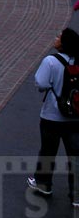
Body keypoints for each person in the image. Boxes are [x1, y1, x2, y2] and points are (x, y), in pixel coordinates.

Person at [27, 27, 79, 206]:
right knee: (75, 154)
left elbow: (40, 83)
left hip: (52, 116)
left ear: (63, 43)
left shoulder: (51, 61)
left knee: (48, 151)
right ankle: (76, 194)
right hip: (75, 117)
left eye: (59, 36)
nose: (56, 38)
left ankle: (44, 185)